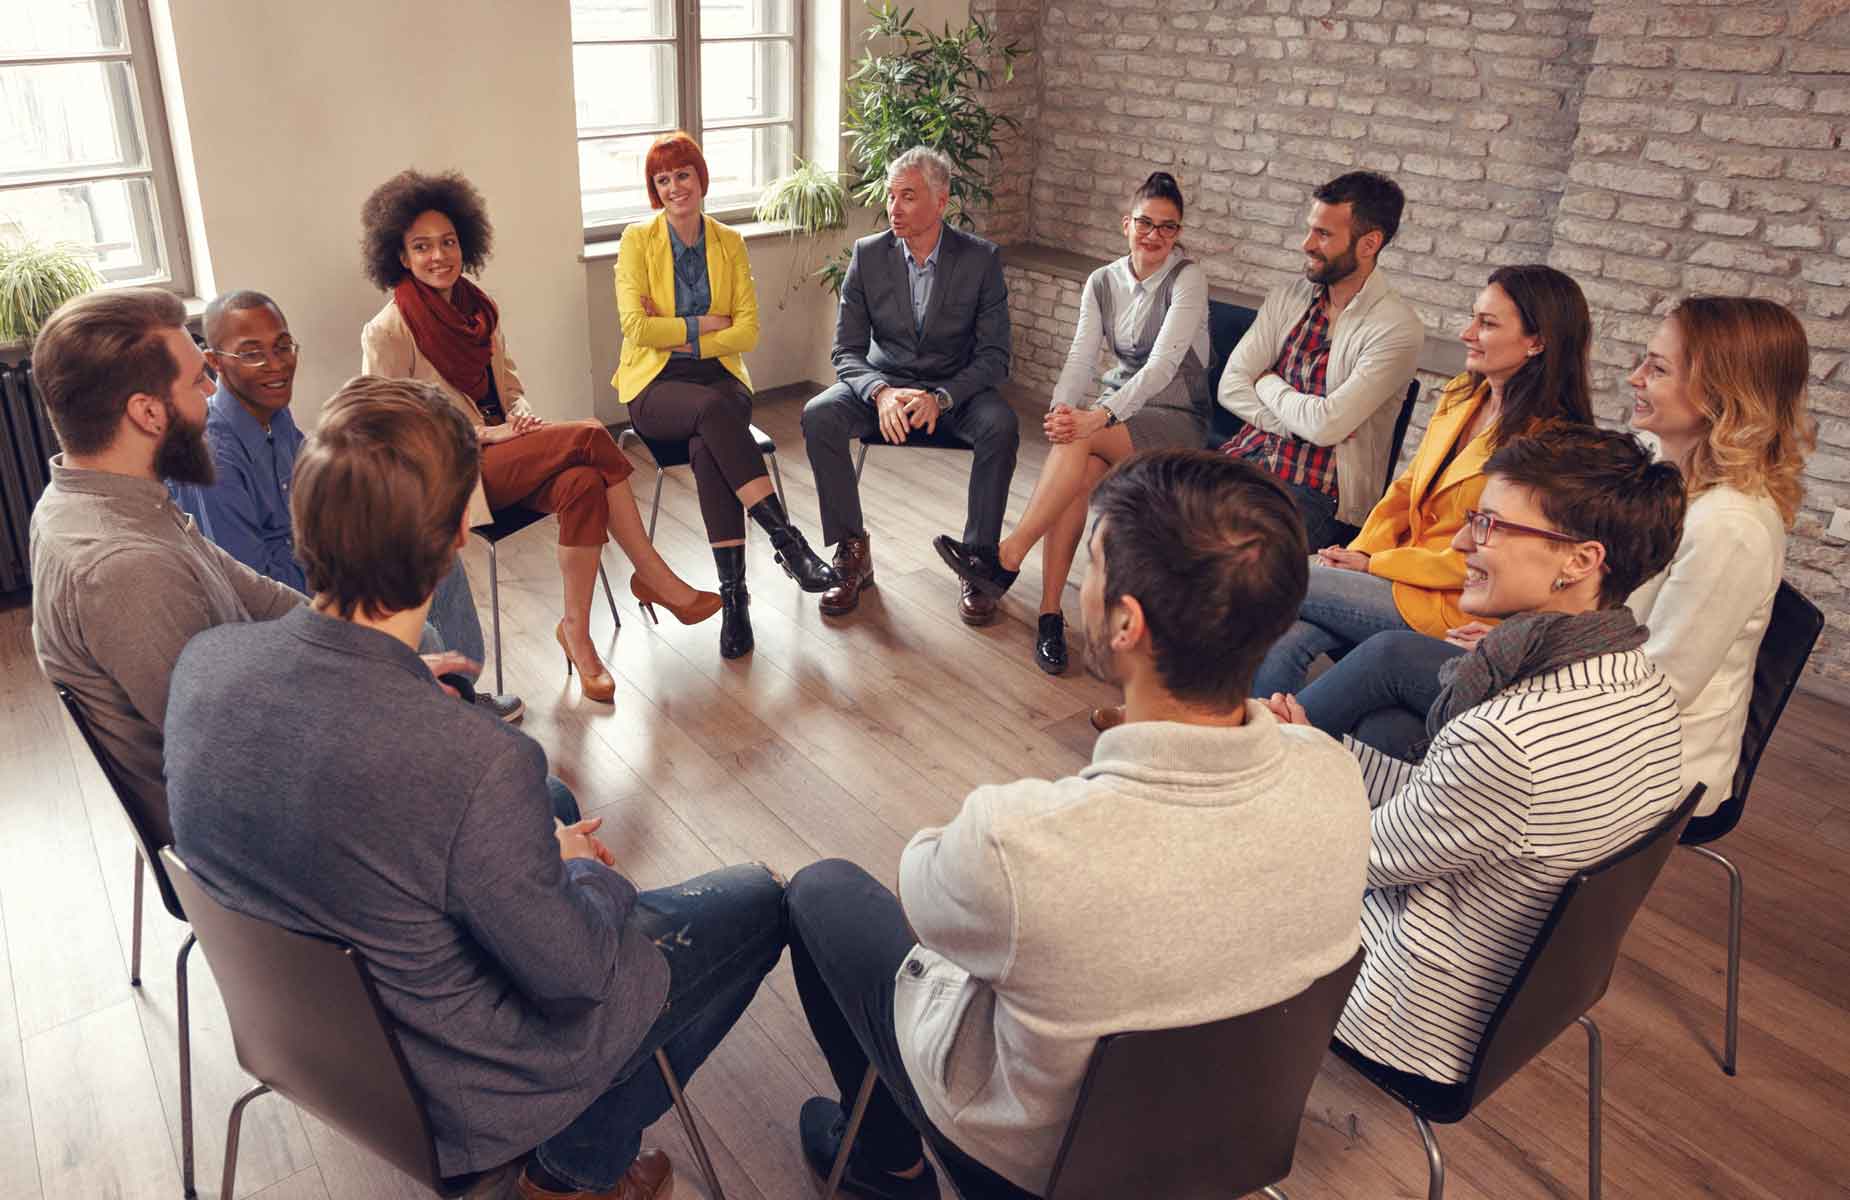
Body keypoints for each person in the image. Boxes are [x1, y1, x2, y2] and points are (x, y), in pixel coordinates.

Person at [164, 376, 787, 1200]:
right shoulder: (477, 761)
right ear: (461, 529)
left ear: (304, 519)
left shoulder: (205, 667)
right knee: (758, 898)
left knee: (544, 831)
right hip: (463, 1089)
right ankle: (573, 1169)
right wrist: (580, 871)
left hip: (313, 1047)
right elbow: (575, 974)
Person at [783, 451, 1369, 1197]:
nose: (1080, 586)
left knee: (819, 891)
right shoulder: (1335, 775)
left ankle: (884, 1164)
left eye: (1090, 563)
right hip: (1225, 1143)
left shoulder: (1018, 840)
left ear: (1127, 623)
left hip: (1025, 1165)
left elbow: (923, 889)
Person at [1264, 424, 1687, 1086]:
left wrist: (1289, 772)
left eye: (1488, 525)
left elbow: (1348, 864)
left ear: (1579, 561)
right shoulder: (1643, 683)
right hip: (1513, 973)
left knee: (1198, 863)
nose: (1462, 543)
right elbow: (1458, 805)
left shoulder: (1506, 738)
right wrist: (1311, 750)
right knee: (1370, 721)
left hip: (1413, 1007)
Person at [1291, 297, 1818, 822]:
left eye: (1657, 368)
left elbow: (1658, 690)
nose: (1634, 378)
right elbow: (1584, 599)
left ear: (1723, 395)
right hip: (1575, 697)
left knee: (1387, 658)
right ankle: (1301, 815)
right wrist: (1520, 638)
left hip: (1638, 759)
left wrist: (1525, 652)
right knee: (1384, 724)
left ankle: (1267, 775)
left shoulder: (1733, 527)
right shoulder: (1658, 469)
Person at [360, 167, 718, 704]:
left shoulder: (479, 310)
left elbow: (510, 383)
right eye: (422, 247)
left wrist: (521, 415)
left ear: (466, 243)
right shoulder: (387, 330)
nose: (439, 256)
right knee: (594, 434)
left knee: (582, 483)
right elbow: (388, 430)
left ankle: (576, 632)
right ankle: (653, 576)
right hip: (453, 476)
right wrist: (491, 431)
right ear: (401, 256)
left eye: (449, 242)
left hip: (505, 452)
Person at [175, 289, 522, 721]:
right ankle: (436, 715)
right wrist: (349, 585)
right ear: (216, 362)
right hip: (283, 610)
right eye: (252, 354)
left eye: (283, 346)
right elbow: (251, 586)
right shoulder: (213, 455)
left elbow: (327, 501)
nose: (277, 364)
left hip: (319, 568)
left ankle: (460, 700)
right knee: (424, 636)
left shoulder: (275, 416)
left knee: (434, 552)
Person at [933, 172, 1210, 674]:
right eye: (1145, 222)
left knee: (1082, 435)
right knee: (1075, 473)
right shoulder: (1102, 282)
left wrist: (1096, 416)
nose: (1154, 235)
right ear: (1126, 223)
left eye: (1168, 228)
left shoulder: (1187, 279)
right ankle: (1049, 614)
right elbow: (1081, 357)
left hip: (1177, 422)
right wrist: (1062, 411)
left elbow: (1162, 367)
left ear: (1177, 234)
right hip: (1117, 416)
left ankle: (1006, 557)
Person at [615, 132, 836, 660]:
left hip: (721, 378)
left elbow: (747, 333)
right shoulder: (636, 240)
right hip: (655, 385)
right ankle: (788, 542)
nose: (674, 187)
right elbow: (635, 328)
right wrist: (706, 323)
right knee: (711, 417)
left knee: (707, 444)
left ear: (700, 177)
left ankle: (735, 600)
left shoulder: (728, 243)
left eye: (682, 175)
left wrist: (674, 324)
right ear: (655, 189)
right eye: (662, 180)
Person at [801, 146, 1018, 624]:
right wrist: (880, 392)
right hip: (887, 388)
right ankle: (851, 552)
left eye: (908, 197)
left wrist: (942, 397)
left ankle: (978, 562)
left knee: (1001, 425)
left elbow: (994, 357)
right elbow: (846, 352)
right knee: (820, 414)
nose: (894, 208)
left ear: (941, 202)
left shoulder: (980, 260)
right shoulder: (868, 254)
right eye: (891, 195)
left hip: (955, 392)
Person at [1218, 170, 1425, 551]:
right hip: (1243, 458)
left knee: (1228, 555)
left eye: (1324, 234)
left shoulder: (1397, 329)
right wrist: (1290, 424)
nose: (1306, 244)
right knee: (1150, 511)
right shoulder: (1289, 297)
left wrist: (1265, 382)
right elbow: (1230, 384)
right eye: (1311, 229)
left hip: (1316, 493)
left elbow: (1327, 426)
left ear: (1369, 244)